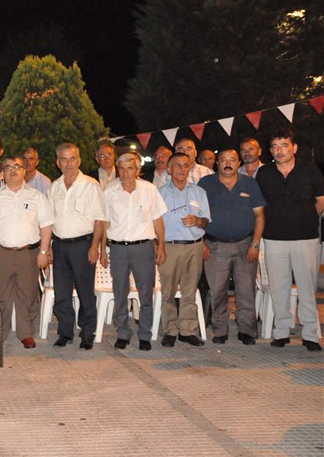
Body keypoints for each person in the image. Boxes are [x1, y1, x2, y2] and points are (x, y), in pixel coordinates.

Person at [255, 128, 324, 351]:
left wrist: (306, 219)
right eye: (274, 146)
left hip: (306, 238)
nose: (279, 150)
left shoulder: (309, 169)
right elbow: (260, 206)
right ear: (270, 151)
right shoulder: (264, 173)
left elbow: (321, 200)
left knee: (307, 287)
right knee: (279, 288)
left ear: (294, 147)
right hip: (274, 239)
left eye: (284, 145)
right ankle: (282, 332)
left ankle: (310, 334)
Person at [0, 156, 53, 349]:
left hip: (28, 254)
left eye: (17, 166)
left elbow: (46, 225)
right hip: (1, 252)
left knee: (28, 294)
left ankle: (26, 333)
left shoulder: (36, 196)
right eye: (8, 168)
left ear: (24, 170)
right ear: (3, 174)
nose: (13, 170)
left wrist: (43, 252)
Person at [100, 152, 167, 351]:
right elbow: (104, 223)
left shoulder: (149, 189)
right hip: (118, 248)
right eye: (121, 169)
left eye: (130, 168)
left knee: (146, 292)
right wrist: (102, 249)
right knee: (120, 292)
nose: (125, 173)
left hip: (143, 247)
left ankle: (145, 334)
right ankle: (123, 332)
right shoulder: (109, 192)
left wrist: (161, 245)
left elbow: (158, 219)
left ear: (137, 170)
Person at [198, 149, 265, 345]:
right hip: (215, 246)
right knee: (217, 290)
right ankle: (220, 329)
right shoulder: (205, 184)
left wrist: (255, 244)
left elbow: (260, 216)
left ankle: (247, 330)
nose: (228, 164)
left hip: (245, 245)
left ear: (238, 163)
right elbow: (197, 215)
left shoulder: (250, 184)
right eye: (223, 160)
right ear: (217, 163)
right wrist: (201, 243)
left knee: (246, 290)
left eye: (232, 160)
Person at [48, 143, 105, 349]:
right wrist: (48, 247)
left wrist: (95, 247)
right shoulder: (54, 187)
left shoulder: (90, 185)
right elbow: (48, 220)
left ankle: (87, 333)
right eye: (64, 159)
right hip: (59, 246)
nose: (69, 163)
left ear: (79, 160)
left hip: (83, 245)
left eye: (72, 158)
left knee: (85, 292)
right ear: (58, 163)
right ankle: (65, 332)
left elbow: (100, 219)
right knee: (61, 292)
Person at [158, 152, 211, 347]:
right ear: (169, 169)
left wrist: (198, 220)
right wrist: (158, 246)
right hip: (169, 247)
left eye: (185, 165)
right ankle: (170, 330)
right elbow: (154, 222)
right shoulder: (159, 193)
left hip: (193, 246)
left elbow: (206, 221)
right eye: (177, 165)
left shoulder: (199, 193)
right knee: (168, 291)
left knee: (190, 291)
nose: (182, 169)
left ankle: (187, 330)